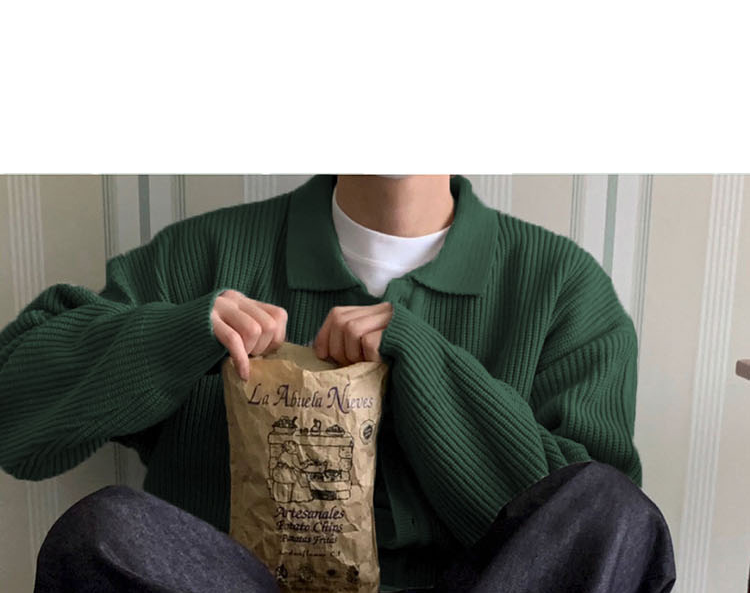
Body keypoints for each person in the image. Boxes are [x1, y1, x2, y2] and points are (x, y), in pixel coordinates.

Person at [0, 174, 675, 593]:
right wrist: (177, 334)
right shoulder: (202, 256)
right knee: (105, 528)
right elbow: (14, 415)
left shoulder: (561, 289)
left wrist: (429, 368)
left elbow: (596, 531)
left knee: (611, 507)